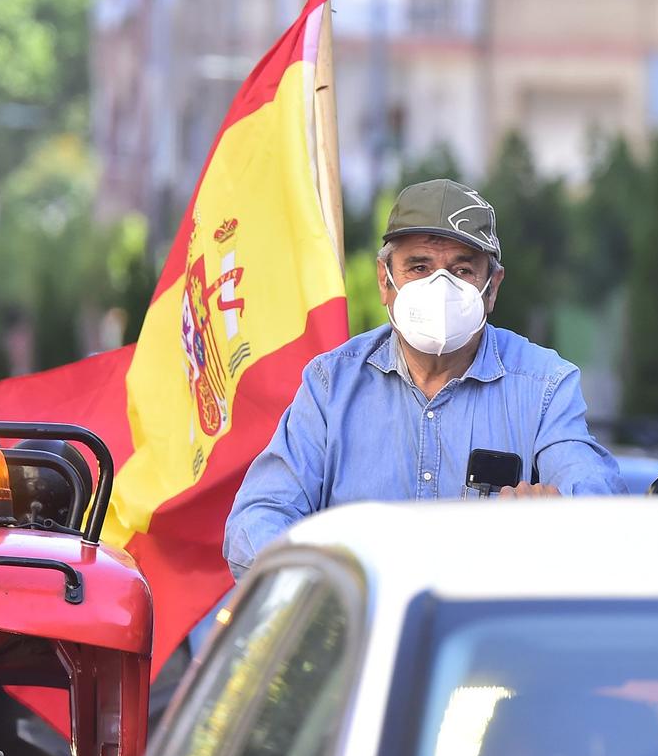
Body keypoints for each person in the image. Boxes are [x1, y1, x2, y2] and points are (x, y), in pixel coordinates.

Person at [225, 178, 625, 580]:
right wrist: (323, 589)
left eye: (462, 269)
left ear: (492, 288)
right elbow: (254, 522)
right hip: (359, 632)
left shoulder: (544, 386)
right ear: (385, 280)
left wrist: (561, 520)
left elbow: (598, 503)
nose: (440, 286)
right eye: (419, 267)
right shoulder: (331, 386)